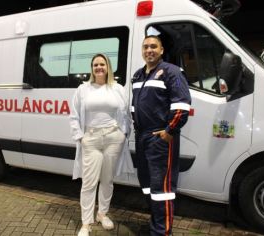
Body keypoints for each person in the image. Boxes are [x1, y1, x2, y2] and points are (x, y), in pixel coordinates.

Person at [131, 35, 191, 236]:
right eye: (146, 46)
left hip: (160, 138)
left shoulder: (171, 72)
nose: (149, 50)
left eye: (153, 46)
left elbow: (182, 105)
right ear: (142, 50)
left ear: (161, 50)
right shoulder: (138, 75)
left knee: (161, 189)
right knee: (147, 184)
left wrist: (169, 131)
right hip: (142, 137)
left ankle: (162, 232)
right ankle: (156, 224)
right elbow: (135, 106)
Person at [69, 53, 134, 236]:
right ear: (92, 68)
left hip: (114, 138)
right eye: (95, 64)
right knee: (89, 183)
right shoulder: (83, 89)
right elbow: (74, 116)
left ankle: (102, 214)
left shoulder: (117, 88)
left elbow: (126, 113)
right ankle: (86, 223)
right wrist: (80, 137)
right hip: (91, 139)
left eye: (102, 64)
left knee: (107, 180)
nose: (99, 67)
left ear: (108, 67)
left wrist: (124, 133)